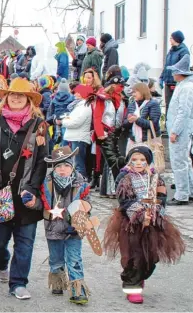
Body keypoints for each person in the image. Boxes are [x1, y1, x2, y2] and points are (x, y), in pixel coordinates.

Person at [0, 78, 49, 300]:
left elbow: (44, 161)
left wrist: (33, 189)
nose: (16, 97)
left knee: (25, 242)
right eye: (12, 94)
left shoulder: (39, 125)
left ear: (29, 99)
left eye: (21, 95)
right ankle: (2, 262)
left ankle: (18, 283)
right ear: (6, 97)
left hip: (27, 194)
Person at [103, 144, 185, 304]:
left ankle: (141, 275)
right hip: (131, 222)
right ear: (129, 162)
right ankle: (132, 286)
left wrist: (155, 210)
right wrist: (140, 213)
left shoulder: (155, 177)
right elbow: (125, 200)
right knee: (134, 255)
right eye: (134, 160)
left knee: (151, 255)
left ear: (148, 161)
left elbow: (161, 196)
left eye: (142, 160)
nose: (139, 163)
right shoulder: (124, 178)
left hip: (153, 221)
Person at [40, 146, 94, 305]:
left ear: (72, 166)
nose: (63, 169)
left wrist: (81, 217)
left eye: (66, 166)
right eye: (59, 166)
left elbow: (87, 204)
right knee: (56, 258)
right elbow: (40, 202)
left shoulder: (81, 183)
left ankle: (78, 290)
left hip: (74, 229)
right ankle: (57, 282)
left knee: (74, 258)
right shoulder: (46, 183)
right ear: (53, 168)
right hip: (53, 226)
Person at [165, 55, 193, 206]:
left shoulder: (186, 88)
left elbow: (184, 111)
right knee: (184, 161)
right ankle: (188, 190)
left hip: (181, 130)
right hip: (181, 128)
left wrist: (175, 131)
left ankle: (182, 194)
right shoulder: (184, 86)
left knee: (179, 161)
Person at [62, 85, 94, 179]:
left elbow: (76, 122)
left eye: (78, 92)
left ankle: (82, 183)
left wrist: (64, 122)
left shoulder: (85, 107)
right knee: (75, 162)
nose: (75, 94)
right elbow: (70, 118)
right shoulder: (79, 105)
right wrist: (67, 120)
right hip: (75, 136)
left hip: (79, 137)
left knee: (78, 163)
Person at [123, 83, 161, 153]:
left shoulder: (153, 104)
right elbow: (124, 123)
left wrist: (137, 120)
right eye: (132, 92)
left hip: (149, 140)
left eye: (135, 92)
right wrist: (129, 121)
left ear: (143, 91)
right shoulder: (132, 105)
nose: (133, 94)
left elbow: (153, 124)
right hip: (133, 140)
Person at [159, 30, 190, 111]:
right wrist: (161, 77)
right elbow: (166, 66)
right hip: (168, 82)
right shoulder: (171, 51)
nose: (170, 40)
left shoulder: (184, 51)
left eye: (171, 38)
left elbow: (183, 68)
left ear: (176, 39)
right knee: (168, 106)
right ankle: (167, 123)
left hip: (176, 83)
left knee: (176, 107)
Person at [46, 78, 74, 147]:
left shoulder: (54, 98)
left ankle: (58, 149)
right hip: (67, 119)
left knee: (57, 137)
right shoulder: (72, 97)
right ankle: (64, 150)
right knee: (65, 137)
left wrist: (53, 118)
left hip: (57, 119)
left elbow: (51, 110)